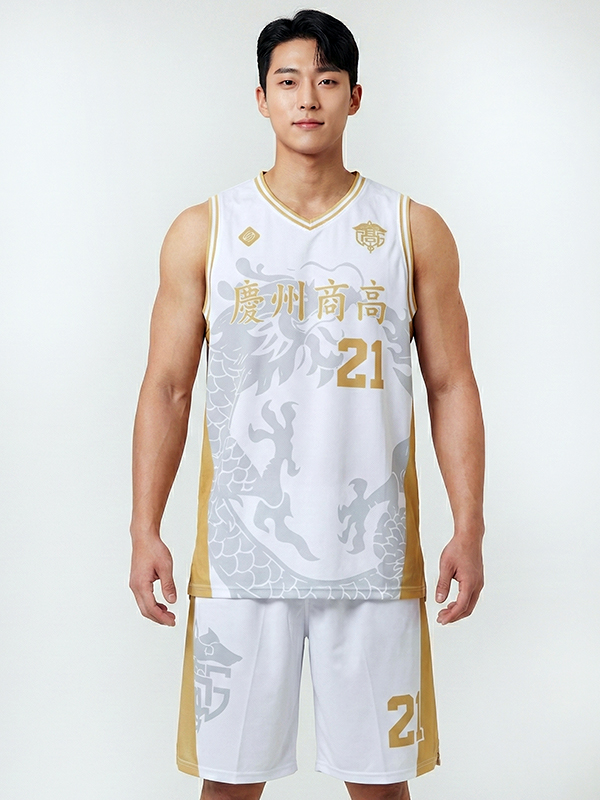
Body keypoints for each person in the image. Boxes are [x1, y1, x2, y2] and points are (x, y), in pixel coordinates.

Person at [129, 9, 485, 800]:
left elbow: (451, 383)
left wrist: (470, 525)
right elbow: (168, 388)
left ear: (355, 96)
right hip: (240, 562)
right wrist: (143, 528)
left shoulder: (412, 229)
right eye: (288, 81)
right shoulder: (207, 230)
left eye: (326, 80)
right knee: (229, 787)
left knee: (380, 788)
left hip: (372, 560)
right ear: (260, 98)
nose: (307, 98)